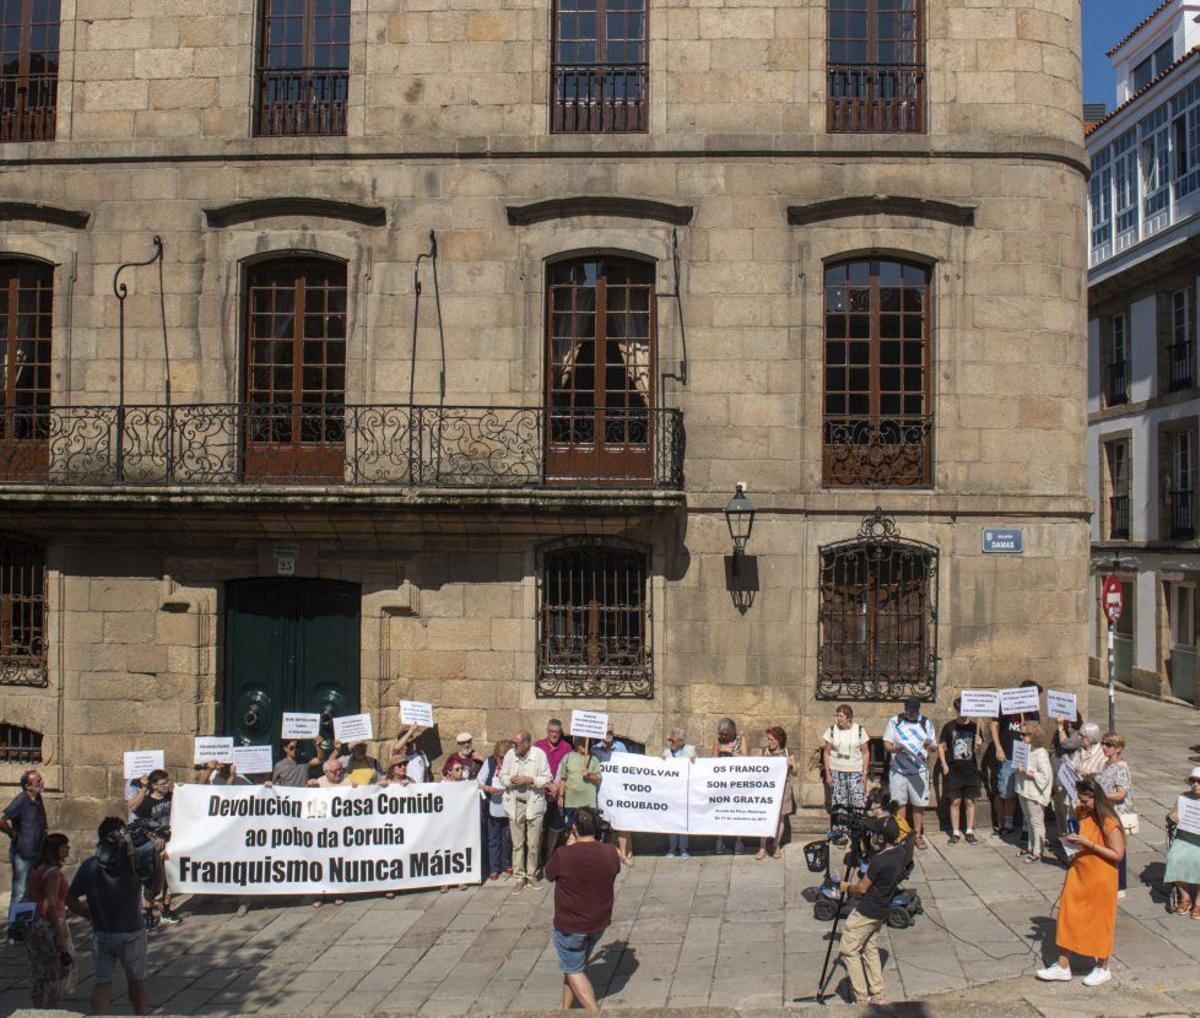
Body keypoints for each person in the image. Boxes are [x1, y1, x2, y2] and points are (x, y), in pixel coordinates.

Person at [1036, 778, 1125, 987]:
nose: (1081, 804)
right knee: (1068, 914)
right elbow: (1076, 824)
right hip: (1079, 871)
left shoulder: (1109, 822)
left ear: (1096, 798)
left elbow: (1118, 854)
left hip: (1101, 877)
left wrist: (1089, 844)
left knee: (1099, 921)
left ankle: (1103, 966)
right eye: (1080, 800)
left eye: (1085, 801)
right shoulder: (1082, 812)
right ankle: (1063, 965)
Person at [67, 818, 158, 1015]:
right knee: (136, 981)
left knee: (102, 983)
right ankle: (140, 1014)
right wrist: (155, 855)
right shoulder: (132, 866)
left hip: (102, 933)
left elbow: (70, 898)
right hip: (132, 932)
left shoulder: (89, 866)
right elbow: (154, 887)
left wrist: (88, 915)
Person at [544, 806, 621, 1012]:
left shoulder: (564, 855)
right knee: (574, 965)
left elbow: (548, 873)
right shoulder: (609, 851)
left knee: (572, 968)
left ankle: (594, 1012)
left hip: (571, 924)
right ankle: (564, 1009)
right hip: (598, 921)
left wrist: (569, 845)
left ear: (574, 828)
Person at [837, 816, 905, 1005]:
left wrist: (846, 886)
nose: (873, 836)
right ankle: (877, 993)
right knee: (870, 949)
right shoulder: (900, 854)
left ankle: (861, 997)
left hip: (867, 910)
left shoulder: (879, 861)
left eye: (876, 834)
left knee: (848, 950)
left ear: (882, 838)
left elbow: (862, 888)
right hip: (881, 910)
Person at [22, 832, 74, 1007]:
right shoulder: (53, 872)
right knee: (55, 971)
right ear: (57, 849)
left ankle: (37, 1009)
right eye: (65, 846)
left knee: (37, 970)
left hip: (33, 923)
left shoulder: (37, 868)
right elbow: (51, 905)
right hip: (49, 924)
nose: (68, 848)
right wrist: (60, 937)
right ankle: (50, 1010)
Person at [882, 697, 937, 850]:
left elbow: (933, 746)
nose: (911, 714)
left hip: (918, 770)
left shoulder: (926, 723)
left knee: (919, 804)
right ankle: (902, 834)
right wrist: (893, 749)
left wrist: (929, 747)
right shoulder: (895, 721)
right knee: (899, 803)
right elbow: (886, 742)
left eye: (914, 711)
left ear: (918, 709)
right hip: (898, 770)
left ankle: (917, 835)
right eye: (908, 711)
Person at [500, 730, 552, 892]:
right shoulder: (510, 755)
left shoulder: (539, 755)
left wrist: (530, 780)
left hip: (533, 803)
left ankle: (531, 875)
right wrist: (511, 780)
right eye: (514, 743)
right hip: (515, 804)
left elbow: (548, 778)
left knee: (533, 843)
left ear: (527, 743)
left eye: (517, 743)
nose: (514, 746)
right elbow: (502, 777)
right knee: (517, 844)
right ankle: (519, 877)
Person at [990, 680, 1041, 836]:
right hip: (1008, 756)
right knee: (1007, 793)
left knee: (1026, 793)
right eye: (1035, 694)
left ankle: (1026, 827)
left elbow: (1037, 733)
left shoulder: (1033, 711)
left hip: (1026, 758)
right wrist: (998, 747)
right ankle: (1008, 824)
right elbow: (994, 725)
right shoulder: (1007, 705)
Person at [129, 770, 179, 925]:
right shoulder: (146, 803)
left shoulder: (172, 797)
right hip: (154, 845)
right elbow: (142, 826)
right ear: (154, 786)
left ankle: (166, 908)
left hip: (171, 841)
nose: (166, 786)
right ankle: (147, 911)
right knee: (153, 880)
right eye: (163, 784)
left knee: (169, 877)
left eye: (167, 782)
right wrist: (156, 839)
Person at [1, 769, 46, 940]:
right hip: (23, 853)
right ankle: (15, 929)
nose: (42, 783)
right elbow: (2, 819)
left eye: (41, 780)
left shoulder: (38, 798)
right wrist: (13, 834)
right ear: (28, 786)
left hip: (36, 851)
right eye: (37, 782)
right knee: (20, 892)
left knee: (33, 890)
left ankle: (28, 924)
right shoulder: (21, 800)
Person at [938, 698, 983, 845]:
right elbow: (941, 745)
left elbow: (978, 749)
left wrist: (979, 744)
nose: (963, 714)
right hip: (954, 770)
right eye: (960, 711)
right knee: (955, 801)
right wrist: (944, 764)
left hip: (970, 769)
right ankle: (956, 832)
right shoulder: (949, 727)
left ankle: (969, 830)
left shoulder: (975, 727)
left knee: (969, 801)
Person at [822, 705, 870, 840]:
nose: (837, 719)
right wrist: (828, 774)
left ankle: (858, 832)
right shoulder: (831, 730)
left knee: (857, 802)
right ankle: (840, 833)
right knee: (839, 803)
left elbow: (865, 753)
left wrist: (865, 773)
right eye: (836, 716)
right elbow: (826, 753)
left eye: (840, 716)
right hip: (837, 771)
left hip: (855, 771)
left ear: (849, 717)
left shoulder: (860, 730)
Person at [1097, 732, 1135, 896]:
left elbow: (1121, 793)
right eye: (1103, 743)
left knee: (1118, 848)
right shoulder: (1107, 763)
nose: (1104, 747)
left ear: (1118, 748)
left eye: (1108, 745)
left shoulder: (1121, 767)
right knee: (1108, 846)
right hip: (1106, 811)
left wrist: (1101, 796)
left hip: (1117, 813)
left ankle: (1120, 886)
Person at [592, 727, 633, 864]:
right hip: (602, 792)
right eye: (605, 732)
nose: (607, 735)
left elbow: (628, 765)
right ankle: (604, 854)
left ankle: (624, 855)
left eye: (610, 732)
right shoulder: (594, 749)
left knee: (621, 823)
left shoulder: (621, 747)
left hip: (618, 791)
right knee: (602, 824)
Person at [1015, 722, 1053, 863]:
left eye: (1024, 734)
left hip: (1034, 792)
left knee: (1036, 822)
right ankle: (1031, 847)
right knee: (1028, 820)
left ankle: (1038, 851)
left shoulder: (1040, 752)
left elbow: (1045, 775)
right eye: (1021, 733)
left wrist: (1026, 771)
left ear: (1033, 735)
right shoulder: (1025, 749)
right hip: (1024, 789)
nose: (1021, 736)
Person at [536, 719, 572, 866]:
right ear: (547, 731)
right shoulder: (538, 746)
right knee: (540, 828)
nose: (554, 735)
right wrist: (548, 785)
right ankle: (537, 858)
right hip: (540, 793)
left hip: (558, 793)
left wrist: (558, 788)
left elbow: (568, 769)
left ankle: (549, 858)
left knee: (556, 828)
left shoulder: (567, 747)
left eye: (557, 732)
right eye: (552, 732)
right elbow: (534, 769)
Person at [1165, 766, 1200, 917]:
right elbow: (1170, 816)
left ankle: (1199, 902)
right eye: (1193, 781)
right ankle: (1185, 898)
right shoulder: (1184, 797)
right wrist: (1171, 816)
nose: (1195, 785)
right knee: (1173, 858)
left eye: (1199, 782)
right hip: (1185, 837)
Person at [758, 726, 795, 860]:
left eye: (771, 739)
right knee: (765, 817)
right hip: (769, 789)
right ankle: (762, 847)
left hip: (783, 788)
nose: (769, 742)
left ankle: (775, 846)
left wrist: (791, 765)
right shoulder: (765, 752)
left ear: (779, 740)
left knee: (780, 818)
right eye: (768, 739)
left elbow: (795, 773)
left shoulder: (787, 751)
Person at [479, 739, 513, 880]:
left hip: (508, 804)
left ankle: (507, 863)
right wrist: (488, 788)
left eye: (504, 757)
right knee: (494, 838)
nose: (502, 760)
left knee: (507, 838)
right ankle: (494, 868)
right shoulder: (490, 762)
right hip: (493, 805)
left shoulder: (513, 764)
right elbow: (479, 781)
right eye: (500, 757)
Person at [713, 717, 748, 855]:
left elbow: (745, 758)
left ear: (732, 732)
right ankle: (719, 841)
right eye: (721, 734)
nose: (722, 736)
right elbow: (713, 760)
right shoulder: (717, 741)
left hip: (737, 782)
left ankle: (738, 841)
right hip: (722, 783)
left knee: (738, 812)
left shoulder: (741, 740)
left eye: (725, 734)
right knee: (721, 812)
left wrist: (730, 752)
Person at [661, 729, 697, 858]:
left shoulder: (690, 750)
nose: (672, 742)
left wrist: (694, 761)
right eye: (671, 739)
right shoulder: (666, 752)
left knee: (683, 821)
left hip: (685, 791)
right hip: (671, 792)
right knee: (672, 821)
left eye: (674, 739)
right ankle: (672, 848)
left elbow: (695, 766)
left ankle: (683, 849)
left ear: (681, 741)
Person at [557, 737, 602, 831]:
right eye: (581, 740)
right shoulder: (568, 757)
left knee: (587, 832)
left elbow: (598, 779)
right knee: (572, 831)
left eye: (585, 741)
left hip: (588, 804)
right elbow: (563, 779)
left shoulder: (593, 758)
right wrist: (561, 796)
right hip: (571, 803)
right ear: (575, 741)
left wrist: (589, 775)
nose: (584, 743)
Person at [439, 762, 471, 892]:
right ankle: (445, 880)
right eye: (457, 769)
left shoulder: (465, 784)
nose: (460, 771)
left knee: (460, 848)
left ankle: (460, 879)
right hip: (446, 823)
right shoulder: (442, 785)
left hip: (461, 822)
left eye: (461, 769)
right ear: (449, 771)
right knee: (445, 850)